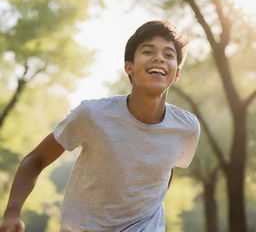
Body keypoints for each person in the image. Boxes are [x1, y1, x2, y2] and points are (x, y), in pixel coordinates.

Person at [0, 20, 200, 232]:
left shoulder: (186, 128)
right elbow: (35, 159)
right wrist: (12, 212)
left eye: (169, 55)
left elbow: (167, 169)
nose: (159, 58)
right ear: (129, 67)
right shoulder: (93, 115)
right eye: (148, 51)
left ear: (177, 73)